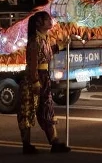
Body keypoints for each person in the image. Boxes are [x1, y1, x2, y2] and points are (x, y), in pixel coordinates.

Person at [19, 11, 70, 154]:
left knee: (47, 108)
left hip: (44, 76)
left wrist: (59, 46)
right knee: (28, 111)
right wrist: (35, 81)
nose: (50, 22)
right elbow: (33, 63)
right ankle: (26, 145)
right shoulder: (34, 41)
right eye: (47, 20)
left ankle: (55, 142)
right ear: (38, 23)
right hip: (32, 79)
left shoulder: (45, 38)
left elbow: (47, 53)